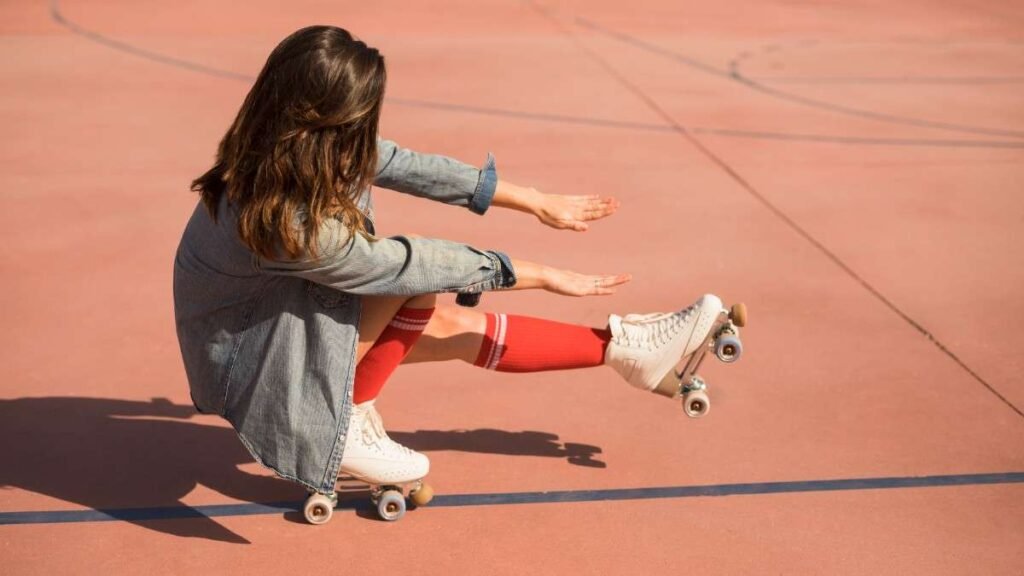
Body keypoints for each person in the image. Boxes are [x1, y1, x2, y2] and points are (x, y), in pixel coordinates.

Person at [173, 25, 726, 501]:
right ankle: (342, 427)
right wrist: (534, 273)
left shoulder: (291, 147)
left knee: (443, 321)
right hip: (249, 359)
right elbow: (396, 264)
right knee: (416, 286)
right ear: (324, 117)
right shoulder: (288, 224)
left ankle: (627, 351)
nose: (368, 130)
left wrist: (532, 199)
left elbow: (408, 165)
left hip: (271, 314)